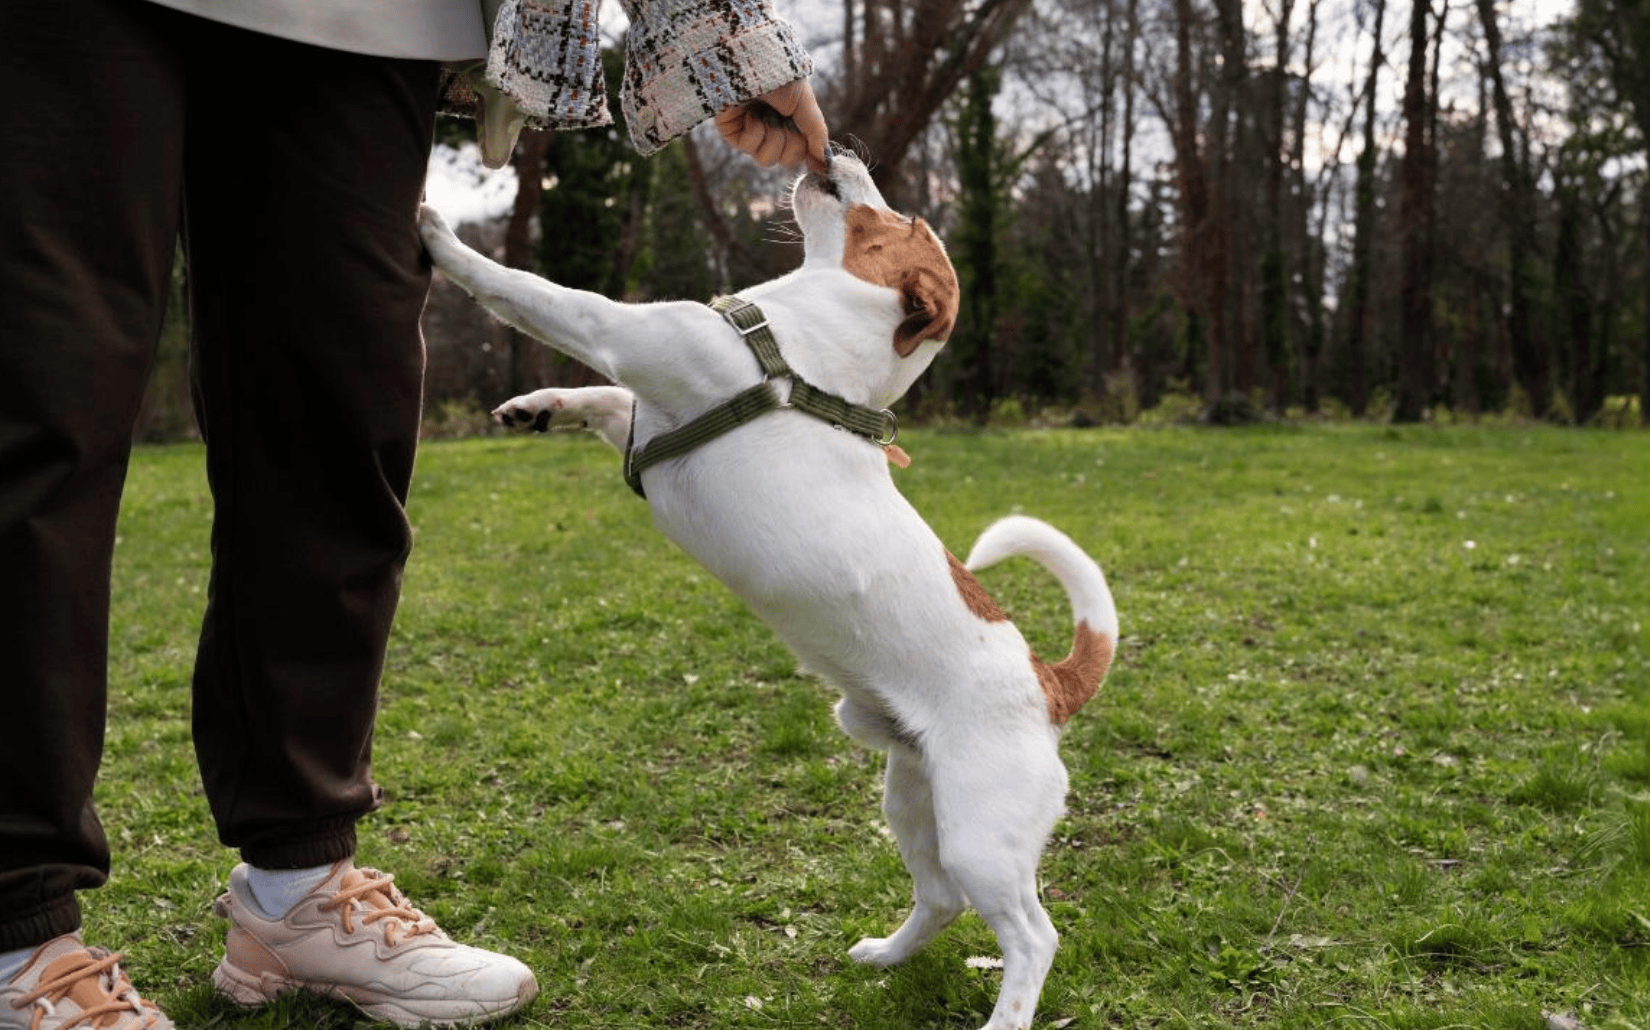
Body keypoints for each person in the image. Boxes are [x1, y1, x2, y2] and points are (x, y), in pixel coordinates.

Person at [0, 1, 830, 1028]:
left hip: (365, 20)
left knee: (338, 425)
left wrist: (721, 37)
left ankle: (296, 887)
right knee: (39, 409)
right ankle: (15, 932)